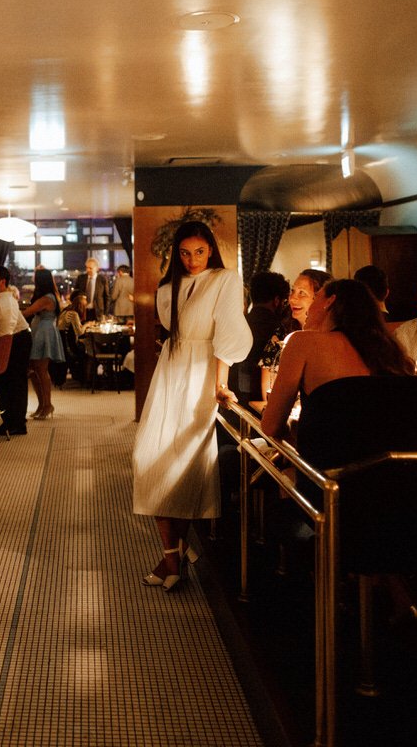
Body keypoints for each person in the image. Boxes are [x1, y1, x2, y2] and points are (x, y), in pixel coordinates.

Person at [132, 221, 252, 592]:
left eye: (200, 251)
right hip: (171, 372)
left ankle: (171, 561)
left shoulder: (225, 279)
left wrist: (220, 381)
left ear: (211, 250)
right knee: (147, 459)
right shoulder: (169, 286)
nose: (193, 259)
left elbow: (228, 329)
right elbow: (170, 336)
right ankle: (177, 554)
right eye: (185, 253)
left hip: (201, 376)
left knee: (181, 469)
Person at [259, 278, 414, 441]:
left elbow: (271, 426)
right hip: (381, 460)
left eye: (316, 297)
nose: (308, 309)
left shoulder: (302, 342)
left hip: (325, 462)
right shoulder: (388, 350)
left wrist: (294, 431)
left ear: (330, 301)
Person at [0, 265, 32, 435]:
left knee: (10, 383)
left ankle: (13, 423)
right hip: (19, 337)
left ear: (2, 282)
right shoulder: (6, 297)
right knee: (15, 383)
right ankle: (16, 421)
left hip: (17, 339)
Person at [230, 271, 293, 403]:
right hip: (263, 398)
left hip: (232, 392)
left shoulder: (237, 322)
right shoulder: (279, 328)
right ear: (277, 301)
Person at [23, 268, 65, 419]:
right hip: (40, 331)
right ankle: (42, 404)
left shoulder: (47, 298)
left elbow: (28, 312)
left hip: (44, 333)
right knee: (35, 370)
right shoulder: (49, 295)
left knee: (41, 370)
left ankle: (47, 404)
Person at [74, 257, 110, 322]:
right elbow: (75, 293)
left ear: (97, 269)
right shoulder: (81, 278)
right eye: (87, 267)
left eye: (90, 268)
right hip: (83, 311)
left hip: (97, 312)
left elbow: (107, 297)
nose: (88, 270)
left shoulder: (102, 279)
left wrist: (105, 314)